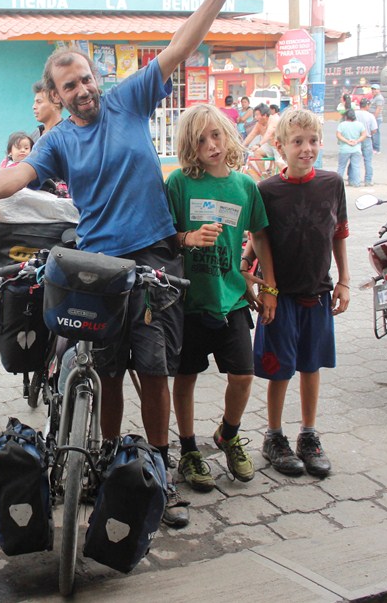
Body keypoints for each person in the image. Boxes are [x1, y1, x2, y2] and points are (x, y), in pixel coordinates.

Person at [0, 0, 250, 529]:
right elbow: (19, 174)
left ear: (95, 77)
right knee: (107, 369)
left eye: (85, 77)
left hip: (156, 257)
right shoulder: (59, 142)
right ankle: (110, 459)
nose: (82, 88)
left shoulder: (128, 99)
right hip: (99, 262)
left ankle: (157, 471)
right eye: (69, 85)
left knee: (153, 366)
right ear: (55, 97)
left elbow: (181, 46)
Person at [164, 104, 277, 492]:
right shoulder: (178, 183)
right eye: (200, 140)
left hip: (232, 300)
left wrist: (269, 287)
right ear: (188, 147)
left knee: (243, 376)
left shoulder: (245, 186)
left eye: (216, 135)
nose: (211, 145)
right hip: (189, 302)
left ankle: (228, 434)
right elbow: (163, 237)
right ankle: (189, 449)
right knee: (185, 378)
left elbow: (261, 237)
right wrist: (187, 239)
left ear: (228, 135)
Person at [250, 109, 351, 479]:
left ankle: (309, 434)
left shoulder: (332, 183)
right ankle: (274, 436)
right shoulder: (266, 191)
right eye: (297, 142)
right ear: (280, 147)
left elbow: (339, 234)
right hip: (281, 298)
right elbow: (259, 244)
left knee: (311, 365)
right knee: (279, 369)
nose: (306, 149)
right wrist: (268, 289)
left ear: (320, 143)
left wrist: (343, 281)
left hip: (318, 293)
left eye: (312, 141)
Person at [242, 103, 282, 178]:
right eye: (255, 115)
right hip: (270, 146)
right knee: (257, 152)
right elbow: (251, 135)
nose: (255, 117)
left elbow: (269, 133)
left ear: (264, 115)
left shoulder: (273, 120)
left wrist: (258, 145)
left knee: (280, 164)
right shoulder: (259, 124)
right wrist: (241, 146)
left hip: (279, 147)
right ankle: (264, 175)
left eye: (257, 115)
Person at [335, 108, 365, 187]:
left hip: (344, 149)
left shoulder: (342, 125)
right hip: (356, 149)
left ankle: (338, 184)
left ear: (346, 116)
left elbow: (338, 135)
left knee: (341, 167)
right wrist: (357, 141)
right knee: (356, 166)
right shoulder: (359, 124)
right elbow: (364, 135)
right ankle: (356, 183)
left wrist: (346, 141)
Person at [356, 98, 378, 187]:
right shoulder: (370, 116)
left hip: (356, 139)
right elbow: (374, 130)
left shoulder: (354, 114)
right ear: (367, 106)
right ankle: (368, 180)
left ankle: (354, 179)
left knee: (355, 161)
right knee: (368, 161)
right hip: (367, 139)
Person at [370, 83, 385, 153]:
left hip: (376, 118)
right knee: (372, 133)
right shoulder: (374, 97)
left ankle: (376, 149)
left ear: (378, 90)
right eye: (372, 89)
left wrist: (374, 118)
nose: (373, 91)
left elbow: (378, 109)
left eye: (374, 89)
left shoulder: (379, 98)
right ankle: (373, 148)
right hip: (372, 118)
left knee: (375, 133)